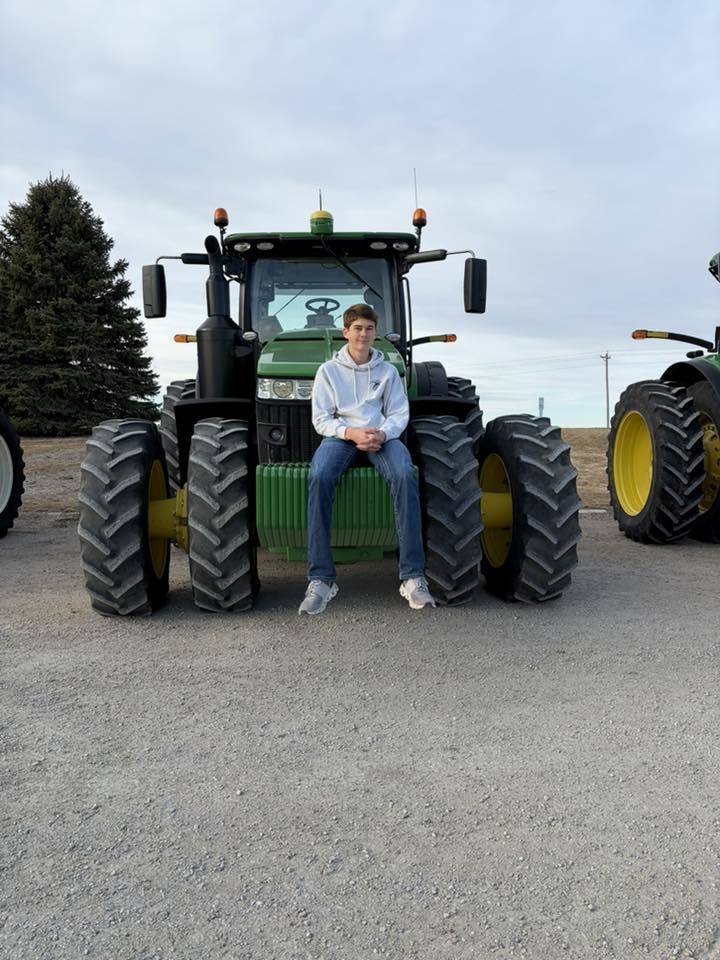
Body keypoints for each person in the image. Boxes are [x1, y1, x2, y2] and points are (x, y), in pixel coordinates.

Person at [299, 303, 436, 615]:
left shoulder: (387, 371)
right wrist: (351, 433)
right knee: (319, 477)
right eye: (357, 328)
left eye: (369, 328)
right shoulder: (328, 371)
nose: (363, 334)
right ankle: (321, 579)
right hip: (341, 437)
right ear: (346, 332)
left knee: (404, 474)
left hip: (381, 437)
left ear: (376, 333)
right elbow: (321, 419)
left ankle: (412, 577)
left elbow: (399, 413)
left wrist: (383, 435)